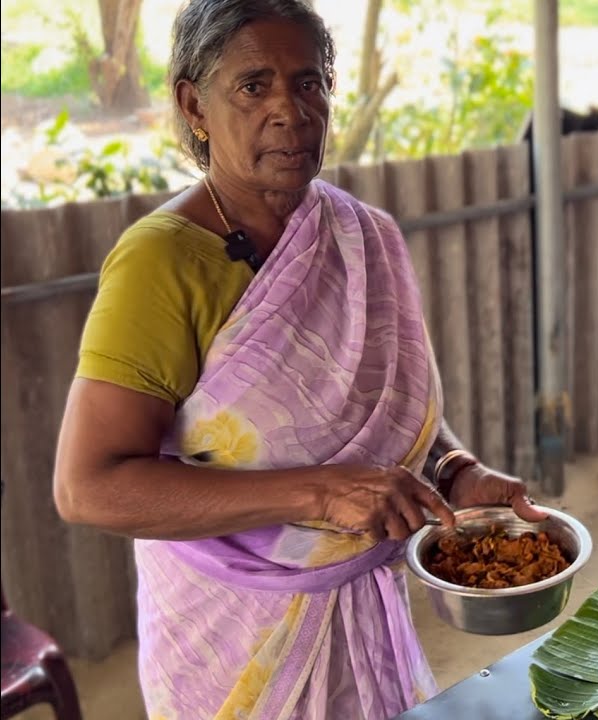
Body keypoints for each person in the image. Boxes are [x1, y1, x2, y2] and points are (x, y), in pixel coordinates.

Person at [51, 1, 544, 717]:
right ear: (195, 104)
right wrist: (316, 493)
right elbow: (88, 487)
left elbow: (392, 420)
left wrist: (454, 470)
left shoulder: (363, 236)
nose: (291, 110)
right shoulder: (162, 262)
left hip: (362, 613)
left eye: (309, 83)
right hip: (228, 640)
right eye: (254, 85)